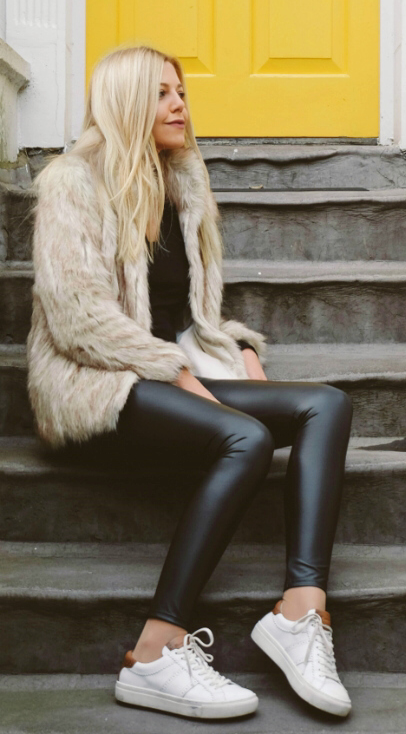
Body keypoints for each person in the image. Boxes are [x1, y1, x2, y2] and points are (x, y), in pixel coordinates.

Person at [27, 45, 354, 720]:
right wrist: (174, 369)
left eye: (182, 92)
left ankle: (300, 611)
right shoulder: (71, 182)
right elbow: (75, 317)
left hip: (162, 375)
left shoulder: (182, 183)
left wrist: (230, 346)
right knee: (245, 439)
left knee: (326, 405)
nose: (181, 105)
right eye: (163, 93)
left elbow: (188, 315)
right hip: (96, 385)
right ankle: (155, 649)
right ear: (126, 102)